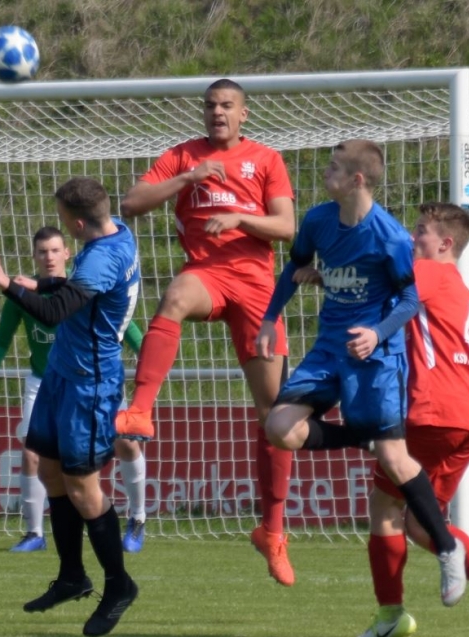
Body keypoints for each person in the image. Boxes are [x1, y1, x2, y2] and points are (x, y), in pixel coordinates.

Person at [256, 140, 468, 611]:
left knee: (394, 457)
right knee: (279, 428)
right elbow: (295, 266)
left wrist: (376, 333)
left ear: (356, 180)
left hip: (376, 354)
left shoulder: (389, 236)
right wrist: (270, 319)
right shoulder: (317, 220)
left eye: (333, 168)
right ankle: (361, 435)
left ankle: (448, 547)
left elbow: (409, 301)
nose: (324, 173)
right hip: (329, 348)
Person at [114, 78, 298, 586]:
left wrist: (240, 217)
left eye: (227, 105)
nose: (218, 112)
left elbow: (287, 227)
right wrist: (187, 178)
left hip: (257, 288)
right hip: (207, 275)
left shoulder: (266, 159)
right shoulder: (183, 155)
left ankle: (272, 532)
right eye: (211, 105)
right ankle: (140, 410)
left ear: (243, 114)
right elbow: (131, 203)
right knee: (174, 297)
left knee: (276, 419)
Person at [351, 203, 469, 637]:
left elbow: (377, 283)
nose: (413, 239)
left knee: (385, 507)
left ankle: (391, 616)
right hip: (468, 417)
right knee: (419, 521)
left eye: (421, 231)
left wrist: (331, 272)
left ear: (445, 243)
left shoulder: (427, 273)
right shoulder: (464, 293)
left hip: (432, 411)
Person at [0, 177, 140, 637]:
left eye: (65, 220)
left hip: (90, 384)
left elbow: (53, 313)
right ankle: (72, 576)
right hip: (60, 375)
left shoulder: (103, 258)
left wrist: (5, 282)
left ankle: (119, 585)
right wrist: (43, 282)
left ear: (77, 224)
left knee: (83, 488)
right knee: (48, 471)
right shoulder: (115, 230)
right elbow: (73, 290)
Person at [0, 226, 150, 553]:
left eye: (55, 250)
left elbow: (127, 325)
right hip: (43, 382)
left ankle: (137, 519)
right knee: (32, 454)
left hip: (94, 379)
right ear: (34, 256)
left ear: (67, 253)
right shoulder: (23, 293)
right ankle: (34, 533)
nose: (49, 257)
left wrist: (148, 359)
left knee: (125, 442)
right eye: (42, 251)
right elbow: (1, 340)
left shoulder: (85, 285)